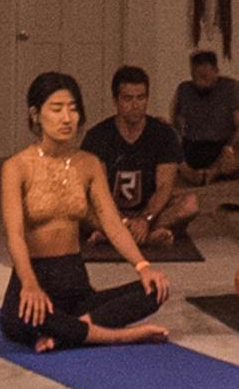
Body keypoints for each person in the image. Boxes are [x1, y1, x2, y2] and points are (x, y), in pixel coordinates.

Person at [0, 72, 173, 351]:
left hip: (73, 279)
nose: (67, 118)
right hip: (35, 274)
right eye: (56, 109)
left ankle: (69, 331)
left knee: (155, 290)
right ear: (35, 114)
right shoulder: (16, 167)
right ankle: (120, 336)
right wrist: (29, 283)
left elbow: (112, 224)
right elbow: (15, 235)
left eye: (73, 109)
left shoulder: (88, 164)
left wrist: (143, 266)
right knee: (16, 323)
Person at [82, 65, 197, 252]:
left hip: (150, 211)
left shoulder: (164, 134)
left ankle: (115, 236)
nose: (135, 105)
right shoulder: (97, 136)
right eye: (128, 99)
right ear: (116, 100)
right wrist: (122, 220)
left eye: (141, 98)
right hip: (110, 211)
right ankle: (144, 237)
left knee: (190, 204)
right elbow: (98, 190)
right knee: (77, 205)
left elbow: (164, 186)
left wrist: (145, 219)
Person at [171, 49, 239, 183]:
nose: (201, 82)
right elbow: (176, 125)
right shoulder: (183, 89)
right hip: (192, 146)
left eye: (205, 77)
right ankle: (190, 173)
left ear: (216, 71)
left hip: (223, 147)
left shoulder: (232, 88)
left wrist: (230, 147)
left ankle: (212, 172)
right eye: (196, 77)